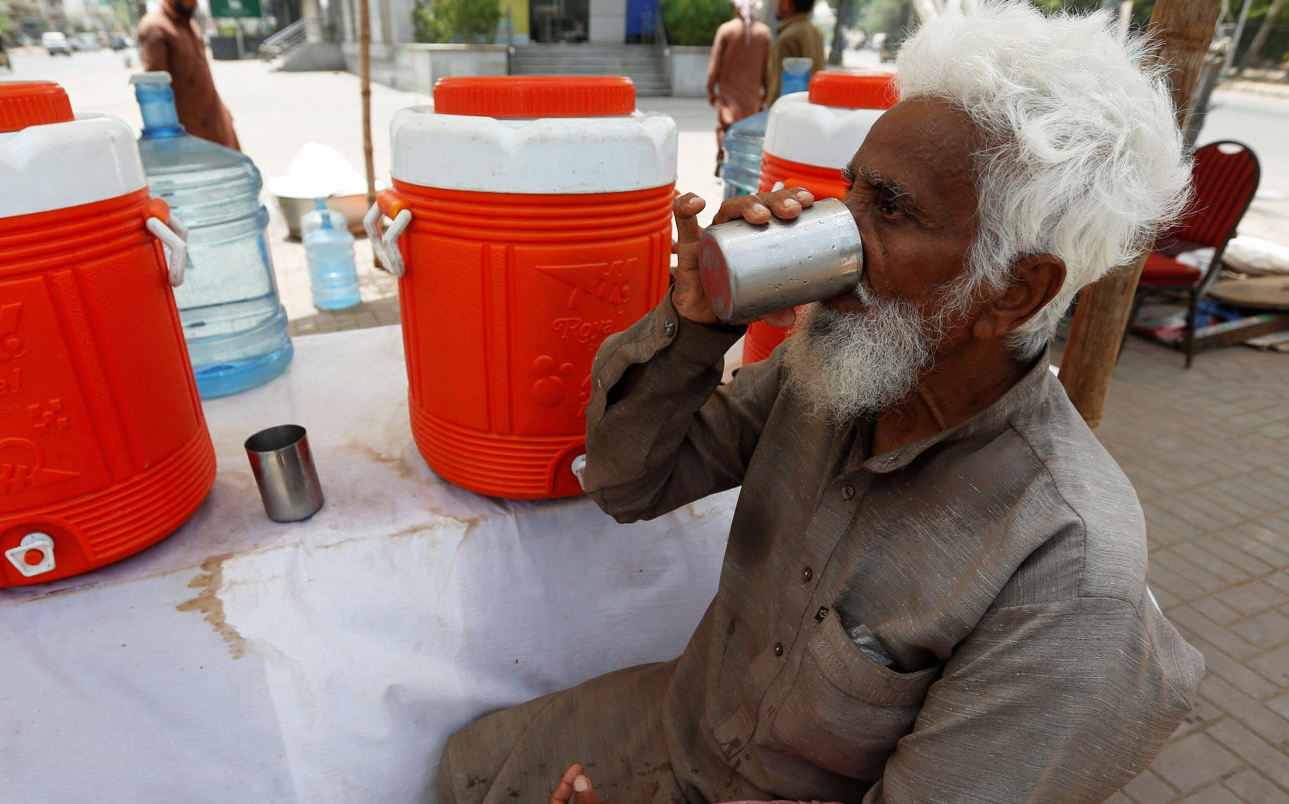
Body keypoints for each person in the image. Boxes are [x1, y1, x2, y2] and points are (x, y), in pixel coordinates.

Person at [438, 3, 1204, 803]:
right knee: (468, 766)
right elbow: (627, 483)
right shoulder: (833, 377)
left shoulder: (1066, 566)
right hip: (680, 723)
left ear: (1012, 290)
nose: (833, 230)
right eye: (850, 191)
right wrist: (695, 327)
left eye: (891, 209)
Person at [138, 0, 242, 150]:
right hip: (194, 139)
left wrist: (225, 115)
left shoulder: (190, 23)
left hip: (219, 125)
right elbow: (156, 93)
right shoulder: (154, 28)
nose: (195, 4)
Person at [706, 0, 773, 171]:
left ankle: (722, 156)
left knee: (724, 128)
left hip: (729, 97)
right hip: (752, 99)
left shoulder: (726, 30)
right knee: (749, 134)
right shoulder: (764, 33)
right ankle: (745, 164)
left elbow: (714, 67)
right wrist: (766, 92)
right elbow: (767, 70)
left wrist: (710, 89)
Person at [765, 0, 825, 107]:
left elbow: (778, 86)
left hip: (788, 111)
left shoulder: (788, 37)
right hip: (811, 108)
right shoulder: (816, 33)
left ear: (787, 4)